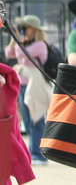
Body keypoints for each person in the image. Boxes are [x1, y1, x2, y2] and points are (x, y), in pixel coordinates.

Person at [4, 15, 50, 165]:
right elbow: (8, 53)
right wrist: (14, 38)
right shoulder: (23, 43)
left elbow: (20, 53)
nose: (24, 31)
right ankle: (31, 152)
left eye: (26, 28)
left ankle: (39, 154)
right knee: (27, 119)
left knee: (36, 118)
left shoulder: (40, 44)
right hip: (22, 84)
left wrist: (18, 37)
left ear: (34, 29)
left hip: (35, 84)